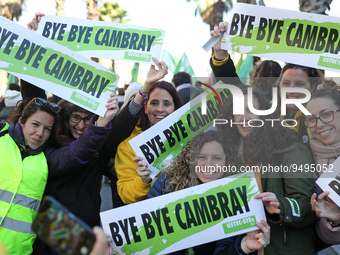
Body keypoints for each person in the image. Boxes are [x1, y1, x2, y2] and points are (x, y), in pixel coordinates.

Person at [216, 87, 316, 255]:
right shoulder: (226, 153)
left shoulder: (289, 148)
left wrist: (280, 206)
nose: (244, 118)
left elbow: (308, 207)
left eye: (251, 110)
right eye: (238, 111)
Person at [148, 130, 271, 254]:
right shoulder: (167, 183)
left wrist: (244, 246)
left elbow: (224, 250)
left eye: (217, 158)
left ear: (227, 162)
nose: (208, 165)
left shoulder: (236, 196)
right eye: (202, 157)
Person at [210, 21, 323, 145]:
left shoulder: (323, 117)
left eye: (299, 84)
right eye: (286, 83)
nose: (290, 89)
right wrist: (220, 54)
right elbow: (234, 85)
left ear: (312, 87)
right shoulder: (264, 111)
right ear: (278, 85)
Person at [0, 97, 59, 254]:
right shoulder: (1, 137)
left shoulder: (45, 162)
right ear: (21, 121)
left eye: (47, 129)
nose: (40, 133)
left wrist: (90, 245)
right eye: (35, 124)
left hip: (17, 251)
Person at [115, 80, 183, 205]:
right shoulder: (128, 147)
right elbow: (126, 196)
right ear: (145, 108)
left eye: (166, 104)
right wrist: (144, 180)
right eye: (154, 103)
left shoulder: (190, 137)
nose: (160, 109)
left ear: (175, 108)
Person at [305, 88, 340, 245]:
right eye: (311, 119)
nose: (319, 124)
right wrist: (335, 221)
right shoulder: (305, 159)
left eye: (326, 114)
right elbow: (326, 238)